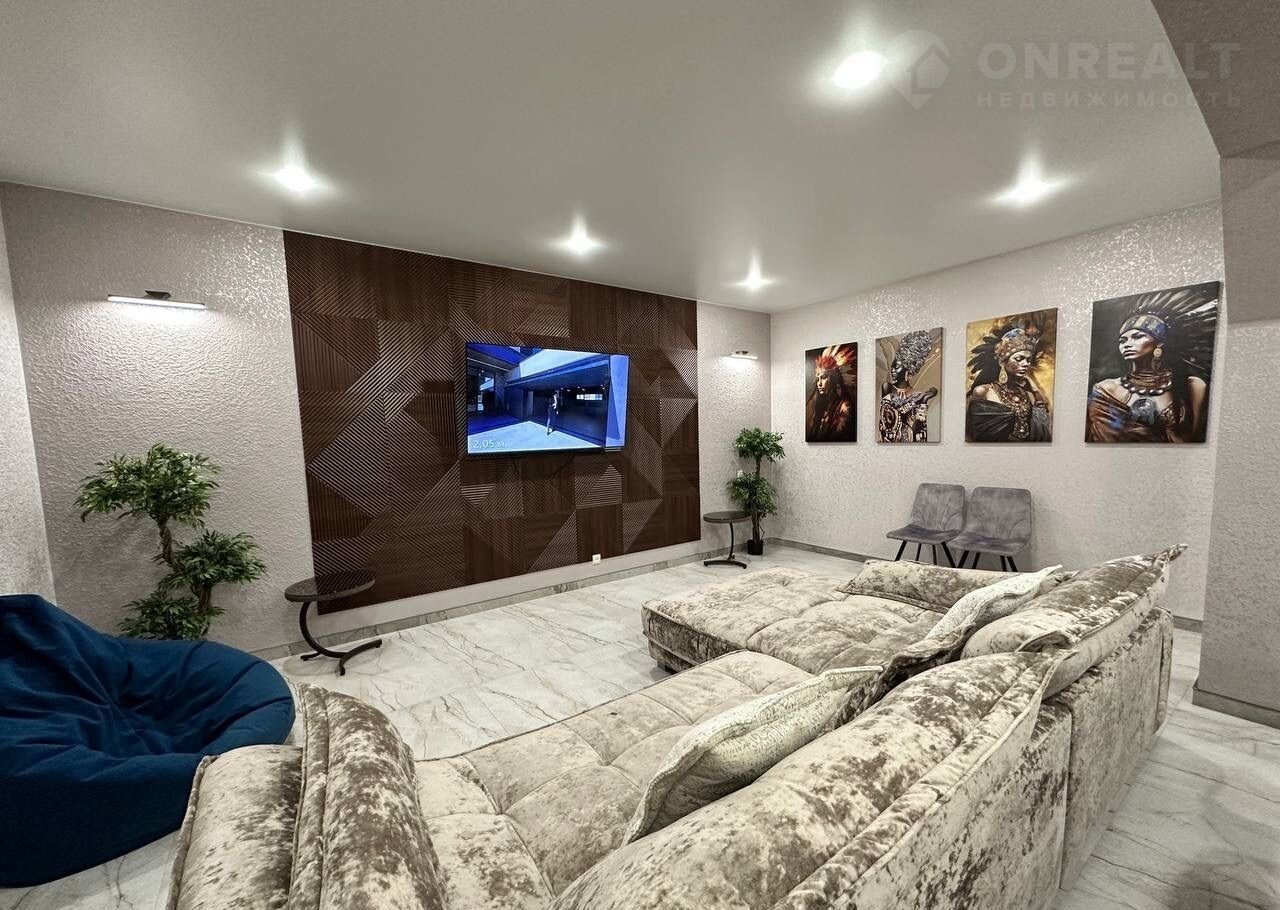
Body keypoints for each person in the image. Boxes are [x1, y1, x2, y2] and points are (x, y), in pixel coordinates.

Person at [1085, 286, 1217, 443]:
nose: (1127, 344)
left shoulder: (1193, 386)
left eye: (1137, 337)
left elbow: (1192, 439)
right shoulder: (1106, 390)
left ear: (1159, 343)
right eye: (1122, 340)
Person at [966, 325, 1052, 442]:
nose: (1025, 364)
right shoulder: (983, 391)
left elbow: (1042, 429)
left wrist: (1035, 390)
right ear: (1002, 362)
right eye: (1019, 359)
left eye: (1028, 360)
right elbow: (974, 434)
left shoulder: (1027, 395)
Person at [879, 330, 939, 442]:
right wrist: (916, 400)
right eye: (893, 366)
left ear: (909, 372)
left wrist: (922, 400)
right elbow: (890, 414)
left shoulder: (917, 394)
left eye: (897, 367)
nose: (893, 370)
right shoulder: (887, 387)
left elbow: (918, 430)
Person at [805, 345, 856, 441]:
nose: (819, 383)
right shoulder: (821, 406)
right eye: (818, 379)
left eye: (824, 377)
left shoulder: (844, 407)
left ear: (834, 379)